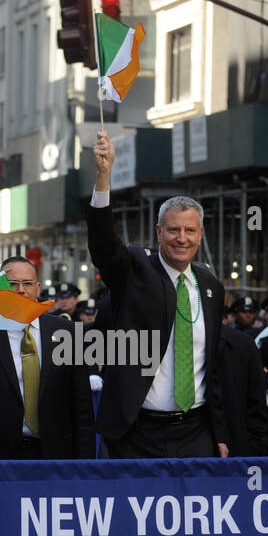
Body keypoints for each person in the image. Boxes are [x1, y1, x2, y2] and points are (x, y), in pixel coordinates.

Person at [87, 130, 228, 459]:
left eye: (190, 230)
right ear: (159, 232)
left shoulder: (210, 286)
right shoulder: (134, 269)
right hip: (135, 432)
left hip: (196, 431)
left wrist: (220, 433)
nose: (182, 238)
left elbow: (213, 368)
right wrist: (103, 176)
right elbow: (104, 245)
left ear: (200, 234)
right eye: (174, 230)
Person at [0, 255, 95, 460]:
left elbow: (82, 407)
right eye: (12, 284)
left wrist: (85, 465)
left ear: (37, 288)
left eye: (27, 283)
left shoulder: (67, 332)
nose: (21, 290)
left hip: (56, 459)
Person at [217, 319, 268, 457]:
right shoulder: (154, 337)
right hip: (160, 447)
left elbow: (256, 404)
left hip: (234, 454)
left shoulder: (242, 344)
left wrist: (255, 451)